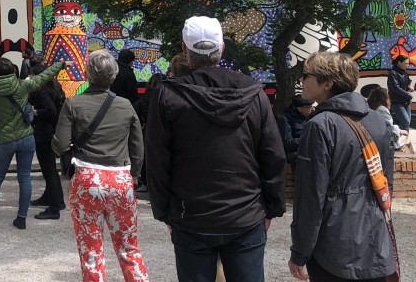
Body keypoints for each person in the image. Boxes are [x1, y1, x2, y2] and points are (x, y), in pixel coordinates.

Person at [147, 16, 287, 282]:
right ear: (221, 47)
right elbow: (273, 154)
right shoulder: (253, 92)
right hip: (245, 214)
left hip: (191, 216)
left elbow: (157, 160)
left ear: (184, 49)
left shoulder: (167, 95)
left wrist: (164, 212)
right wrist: (272, 207)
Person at [288, 51, 396, 282]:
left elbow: (310, 197)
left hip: (334, 245)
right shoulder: (377, 120)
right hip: (375, 238)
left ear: (326, 83)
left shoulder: (319, 125)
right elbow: (387, 180)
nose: (301, 80)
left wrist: (299, 252)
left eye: (306, 75)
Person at [52, 49, 146, 282]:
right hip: (120, 180)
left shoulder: (73, 104)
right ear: (113, 76)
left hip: (87, 179)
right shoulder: (126, 106)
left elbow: (60, 145)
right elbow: (138, 147)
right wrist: (134, 174)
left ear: (87, 74)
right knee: (129, 248)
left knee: (91, 251)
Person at [0, 57, 65, 230]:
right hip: (27, 137)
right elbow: (44, 77)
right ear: (12, 71)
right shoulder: (23, 85)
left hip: (5, 139)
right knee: (25, 178)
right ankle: (21, 218)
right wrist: (60, 65)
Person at [29, 61, 66, 219]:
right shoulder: (53, 88)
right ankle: (50, 198)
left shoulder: (42, 92)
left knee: (49, 170)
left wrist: (35, 112)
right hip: (49, 132)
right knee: (49, 170)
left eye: (32, 74)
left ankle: (55, 206)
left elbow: (49, 111)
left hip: (44, 134)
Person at [132, 73, 164, 193]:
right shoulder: (165, 95)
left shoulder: (145, 96)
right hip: (162, 129)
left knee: (146, 157)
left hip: (147, 129)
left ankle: (145, 182)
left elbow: (135, 108)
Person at [278, 93, 315, 165]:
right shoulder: (286, 118)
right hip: (294, 153)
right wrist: (306, 139)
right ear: (299, 109)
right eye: (309, 107)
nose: (312, 109)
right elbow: (288, 142)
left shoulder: (311, 115)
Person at [366, 87, 401, 151]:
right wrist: (400, 131)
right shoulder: (382, 109)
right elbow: (390, 129)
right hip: (382, 142)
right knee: (406, 138)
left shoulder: (368, 108)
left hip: (371, 139)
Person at [387, 54, 413, 135]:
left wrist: (410, 87)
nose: (407, 65)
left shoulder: (405, 73)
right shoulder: (392, 73)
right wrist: (409, 95)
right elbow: (395, 88)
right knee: (405, 122)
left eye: (408, 63)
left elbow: (407, 85)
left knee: (407, 123)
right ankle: (402, 142)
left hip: (406, 102)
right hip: (396, 102)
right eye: (406, 63)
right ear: (399, 62)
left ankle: (404, 141)